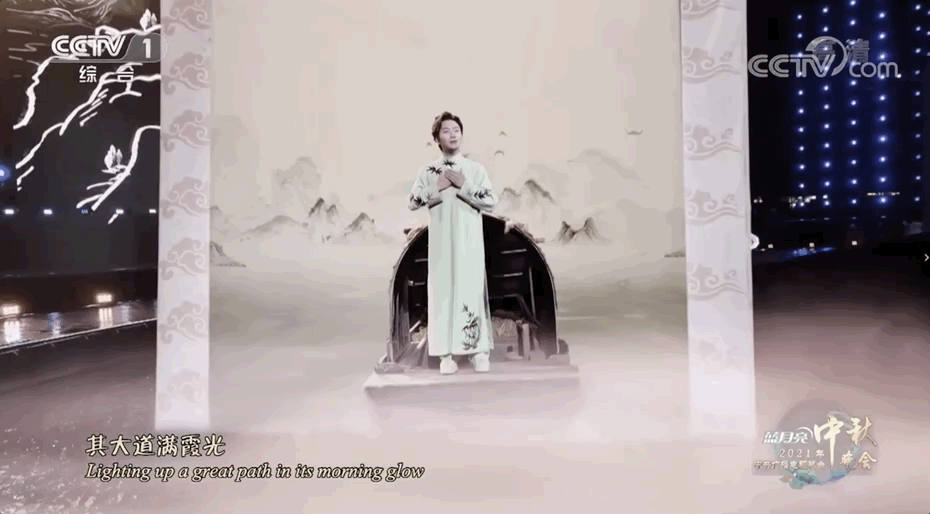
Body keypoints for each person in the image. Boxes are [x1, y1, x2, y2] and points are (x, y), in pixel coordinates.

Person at [407, 111, 498, 375]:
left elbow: (491, 201)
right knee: (442, 295)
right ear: (437, 138)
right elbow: (412, 202)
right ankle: (445, 355)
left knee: (471, 291)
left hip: (470, 243)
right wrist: (437, 186)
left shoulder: (475, 170)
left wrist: (464, 185)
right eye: (446, 131)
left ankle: (478, 352)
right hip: (441, 246)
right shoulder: (427, 172)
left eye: (456, 130)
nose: (453, 134)